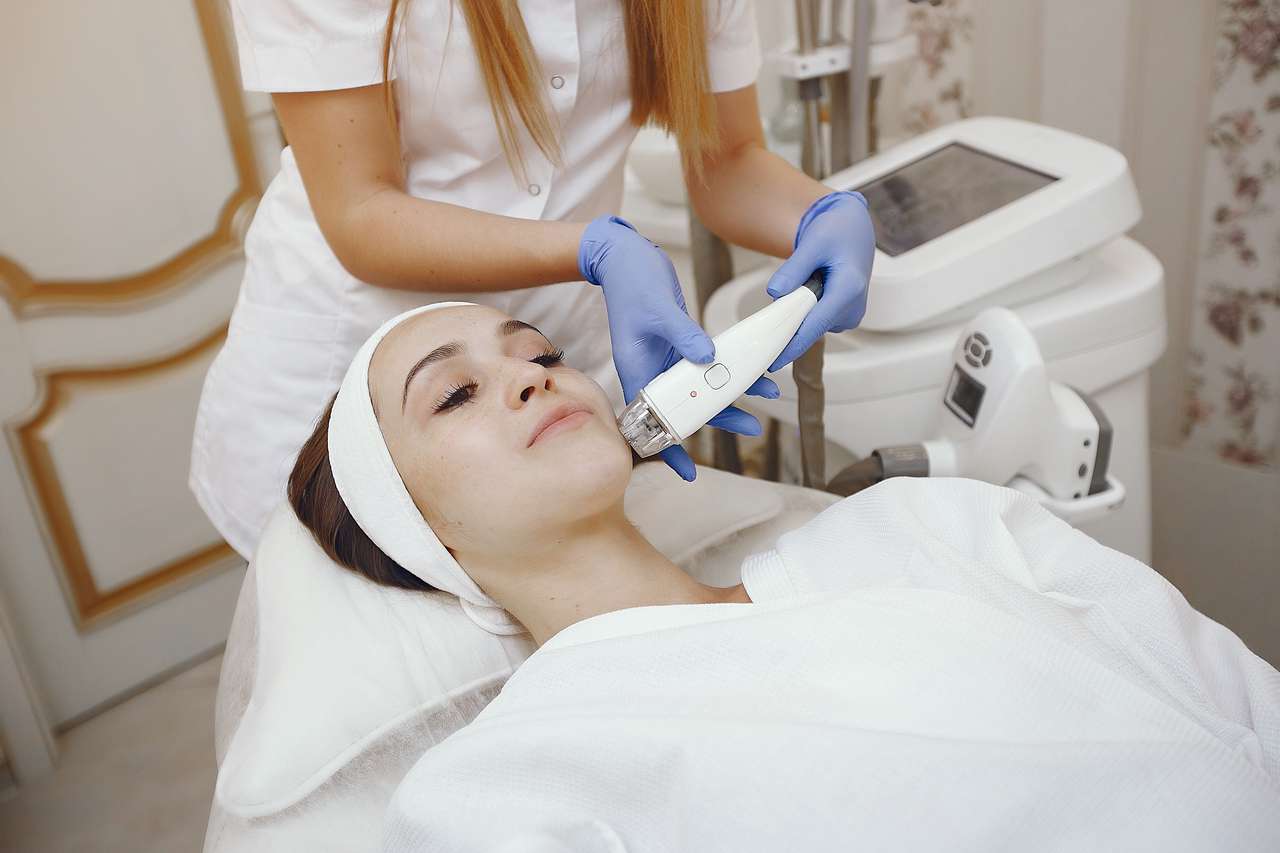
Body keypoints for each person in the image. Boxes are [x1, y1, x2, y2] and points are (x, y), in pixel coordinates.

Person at [289, 303, 1280, 851]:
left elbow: (1238, 695)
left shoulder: (918, 522)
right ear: (423, 535)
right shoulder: (498, 785)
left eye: (540, 351)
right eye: (455, 393)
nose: (532, 374)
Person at [191, 0, 876, 560]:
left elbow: (726, 158)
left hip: (559, 354)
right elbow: (361, 212)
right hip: (354, 375)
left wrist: (820, 212)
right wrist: (592, 251)